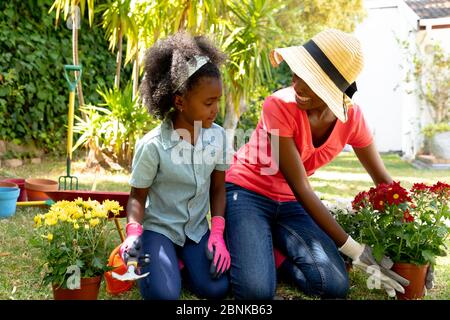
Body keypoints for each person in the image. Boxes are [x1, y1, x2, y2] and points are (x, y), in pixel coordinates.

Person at [224, 28, 410, 299]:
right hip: (247, 192)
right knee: (255, 292)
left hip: (290, 204)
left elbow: (382, 179)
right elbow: (301, 186)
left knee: (334, 286)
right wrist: (355, 251)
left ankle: (275, 251)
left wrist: (412, 238)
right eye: (297, 73)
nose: (297, 84)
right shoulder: (279, 105)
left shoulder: (351, 118)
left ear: (334, 89)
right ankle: (259, 240)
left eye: (309, 80)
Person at [119, 32, 231, 300]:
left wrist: (217, 233)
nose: (215, 109)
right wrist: (133, 234)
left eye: (218, 100)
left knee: (216, 288)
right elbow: (137, 196)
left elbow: (218, 188)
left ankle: (179, 263)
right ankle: (162, 261)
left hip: (195, 231)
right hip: (159, 229)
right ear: (179, 101)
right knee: (164, 296)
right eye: (208, 102)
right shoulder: (153, 145)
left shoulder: (218, 137)